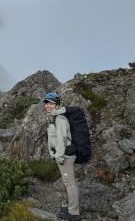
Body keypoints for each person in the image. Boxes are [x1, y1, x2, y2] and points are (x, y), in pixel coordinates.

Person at [43, 92, 81, 221]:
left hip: (65, 156)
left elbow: (62, 139)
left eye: (51, 103)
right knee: (68, 183)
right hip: (61, 154)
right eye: (46, 103)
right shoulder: (53, 117)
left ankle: (74, 213)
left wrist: (58, 157)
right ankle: (71, 207)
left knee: (70, 184)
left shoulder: (60, 119)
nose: (48, 106)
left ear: (57, 104)